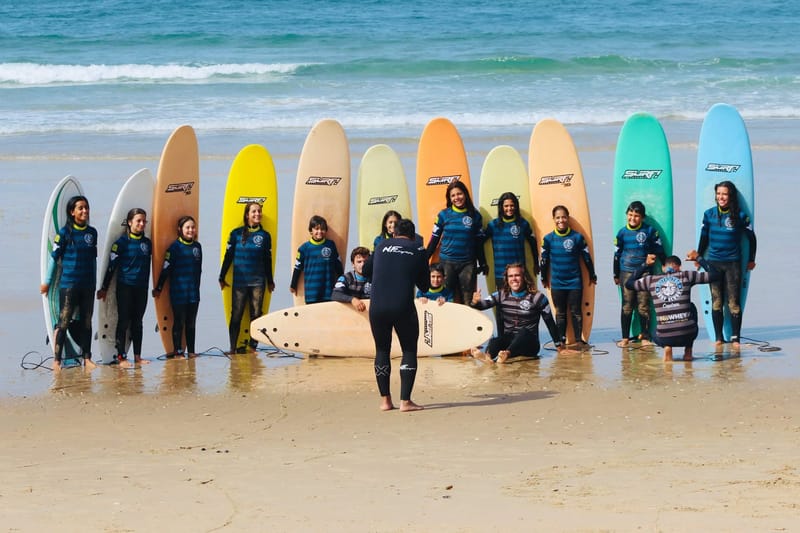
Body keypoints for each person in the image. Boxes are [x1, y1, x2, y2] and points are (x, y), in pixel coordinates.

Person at [363, 218, 430, 412]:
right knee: (408, 350)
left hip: (377, 308)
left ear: (394, 233)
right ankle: (405, 402)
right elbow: (425, 286)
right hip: (402, 306)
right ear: (412, 235)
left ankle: (385, 401)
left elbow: (366, 270)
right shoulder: (417, 249)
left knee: (382, 350)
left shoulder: (381, 245)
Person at [692, 180, 757, 347]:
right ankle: (719, 337)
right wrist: (698, 256)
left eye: (725, 194)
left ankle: (735, 337)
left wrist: (751, 259)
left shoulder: (741, 216)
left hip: (733, 264)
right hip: (713, 262)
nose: (721, 197)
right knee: (717, 302)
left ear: (731, 196)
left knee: (733, 303)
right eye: (719, 193)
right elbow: (704, 237)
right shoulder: (709, 214)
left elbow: (751, 238)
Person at [40, 195, 98, 372]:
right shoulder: (64, 234)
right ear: (72, 212)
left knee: (87, 322)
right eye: (80, 208)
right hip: (69, 284)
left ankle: (87, 358)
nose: (84, 211)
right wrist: (47, 282)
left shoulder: (92, 233)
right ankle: (57, 360)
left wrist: (96, 283)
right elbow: (53, 258)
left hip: (87, 284)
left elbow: (94, 260)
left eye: (86, 207)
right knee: (64, 321)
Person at [626, 253, 719, 361]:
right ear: (680, 267)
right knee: (691, 307)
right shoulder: (687, 276)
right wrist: (698, 258)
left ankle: (667, 347)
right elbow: (715, 275)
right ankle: (688, 352)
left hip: (664, 337)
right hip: (688, 334)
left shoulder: (650, 280)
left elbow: (629, 283)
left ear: (663, 267)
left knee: (654, 329)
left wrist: (645, 264)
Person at [470, 263, 563, 363]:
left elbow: (550, 323)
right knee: (495, 339)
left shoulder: (538, 298)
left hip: (529, 344)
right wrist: (474, 302)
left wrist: (559, 347)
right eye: (510, 276)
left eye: (517, 275)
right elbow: (481, 306)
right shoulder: (501, 295)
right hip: (509, 342)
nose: (514, 279)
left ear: (524, 277)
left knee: (524, 332)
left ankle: (506, 354)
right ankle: (488, 356)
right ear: (507, 279)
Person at [97, 207, 152, 367]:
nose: (142, 224)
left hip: (141, 288)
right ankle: (121, 356)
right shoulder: (120, 243)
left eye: (143, 221)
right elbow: (111, 267)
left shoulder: (147, 243)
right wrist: (104, 288)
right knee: (124, 321)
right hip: (125, 287)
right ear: (129, 223)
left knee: (138, 322)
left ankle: (138, 356)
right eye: (138, 221)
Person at [218, 202, 275, 354]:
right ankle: (232, 348)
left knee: (256, 315)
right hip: (240, 282)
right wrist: (221, 276)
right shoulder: (235, 234)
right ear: (247, 215)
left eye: (259, 211)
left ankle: (252, 347)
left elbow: (267, 259)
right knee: (236, 314)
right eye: (254, 211)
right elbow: (228, 256)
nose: (258, 214)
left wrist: (270, 280)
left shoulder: (265, 236)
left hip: (258, 281)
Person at [540, 205, 597, 348]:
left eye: (564, 217)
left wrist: (592, 274)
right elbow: (543, 260)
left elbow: (586, 257)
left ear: (568, 218)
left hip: (574, 281)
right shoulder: (548, 239)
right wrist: (543, 277)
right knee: (560, 313)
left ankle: (579, 341)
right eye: (558, 217)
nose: (561, 220)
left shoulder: (577, 237)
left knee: (576, 311)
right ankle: (561, 341)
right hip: (557, 282)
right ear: (554, 219)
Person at [482, 191, 538, 334]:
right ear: (501, 207)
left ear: (516, 206)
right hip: (502, 275)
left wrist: (536, 263)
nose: (509, 209)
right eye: (506, 206)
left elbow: (532, 243)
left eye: (512, 206)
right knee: (502, 308)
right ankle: (503, 337)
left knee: (526, 306)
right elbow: (479, 242)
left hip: (521, 274)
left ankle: (527, 335)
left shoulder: (522, 224)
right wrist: (483, 263)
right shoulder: (493, 225)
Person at [425, 180, 487, 305]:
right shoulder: (443, 215)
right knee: (446, 300)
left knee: (468, 301)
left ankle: (467, 324)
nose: (456, 198)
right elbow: (434, 240)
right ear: (449, 198)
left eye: (459, 194)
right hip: (447, 263)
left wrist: (483, 262)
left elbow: (479, 243)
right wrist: (424, 259)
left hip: (468, 264)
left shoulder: (475, 216)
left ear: (465, 194)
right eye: (453, 195)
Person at [613, 200, 665, 347]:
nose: (633, 218)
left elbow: (660, 250)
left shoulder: (650, 231)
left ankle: (645, 337)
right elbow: (616, 255)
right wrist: (615, 274)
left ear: (642, 217)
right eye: (630, 215)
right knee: (627, 306)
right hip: (626, 272)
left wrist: (667, 265)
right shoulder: (622, 233)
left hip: (644, 273)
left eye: (636, 216)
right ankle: (624, 338)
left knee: (643, 305)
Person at [153, 215, 202, 358]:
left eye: (193, 227)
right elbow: (165, 270)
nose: (191, 230)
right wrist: (159, 288)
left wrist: (197, 289)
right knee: (179, 322)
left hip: (193, 293)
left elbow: (198, 271)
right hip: (178, 292)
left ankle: (191, 351)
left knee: (191, 323)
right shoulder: (174, 248)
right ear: (180, 229)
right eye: (187, 227)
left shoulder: (197, 247)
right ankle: (178, 351)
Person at [290, 215, 343, 304]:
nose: (320, 231)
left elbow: (338, 265)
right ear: (311, 231)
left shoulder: (330, 245)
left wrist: (343, 283)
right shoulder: (304, 248)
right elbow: (297, 268)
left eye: (322, 229)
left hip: (328, 292)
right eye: (316, 229)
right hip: (312, 293)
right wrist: (293, 285)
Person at [331, 246, 371, 312]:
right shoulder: (346, 278)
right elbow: (335, 294)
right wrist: (352, 300)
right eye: (359, 262)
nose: (363, 264)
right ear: (353, 264)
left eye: (365, 261)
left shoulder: (376, 278)